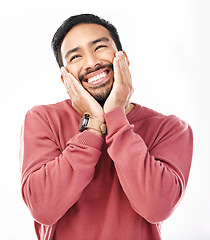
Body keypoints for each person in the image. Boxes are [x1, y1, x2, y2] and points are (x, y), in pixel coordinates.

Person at [20, 14, 193, 240]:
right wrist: (92, 126)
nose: (91, 63)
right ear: (65, 79)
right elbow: (43, 207)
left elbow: (157, 207)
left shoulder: (170, 128)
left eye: (99, 47)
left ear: (124, 59)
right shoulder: (43, 119)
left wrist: (115, 117)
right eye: (75, 57)